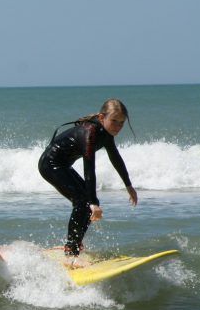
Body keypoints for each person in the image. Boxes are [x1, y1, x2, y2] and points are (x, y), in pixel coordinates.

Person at [38, 98, 138, 257]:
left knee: (89, 203)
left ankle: (75, 243)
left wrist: (128, 185)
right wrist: (93, 202)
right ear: (101, 117)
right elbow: (89, 168)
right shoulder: (90, 132)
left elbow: (115, 158)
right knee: (83, 202)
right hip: (50, 165)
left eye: (121, 123)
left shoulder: (106, 134)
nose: (118, 127)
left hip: (64, 165)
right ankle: (72, 248)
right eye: (114, 121)